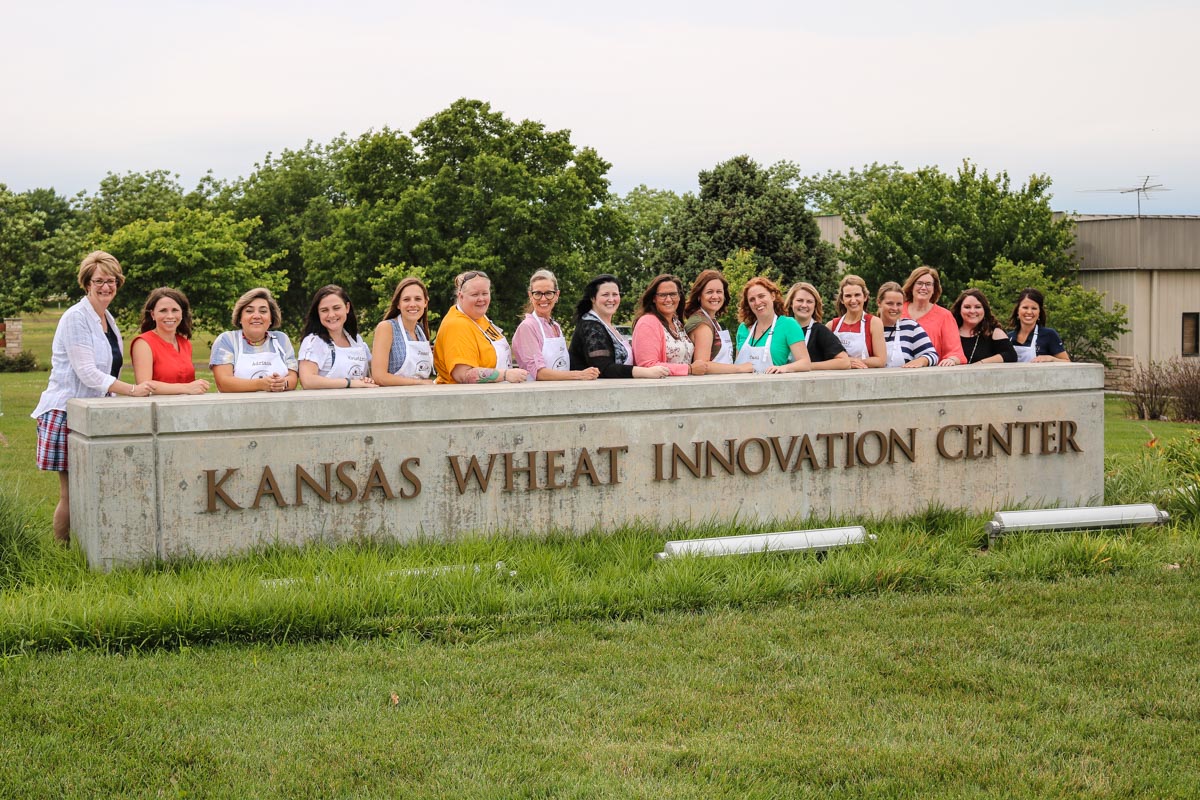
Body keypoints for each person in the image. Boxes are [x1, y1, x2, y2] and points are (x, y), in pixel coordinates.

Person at [31, 251, 154, 544]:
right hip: (65, 412)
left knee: (96, 487)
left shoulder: (107, 318)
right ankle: (63, 551)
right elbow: (87, 373)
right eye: (99, 280)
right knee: (72, 492)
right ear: (86, 283)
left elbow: (108, 368)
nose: (106, 286)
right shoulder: (76, 317)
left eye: (111, 280)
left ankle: (95, 545)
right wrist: (132, 390)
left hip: (95, 411)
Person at [433, 270, 529, 384]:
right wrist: (505, 375)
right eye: (475, 294)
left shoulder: (480, 317)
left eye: (485, 293)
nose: (481, 299)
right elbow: (463, 375)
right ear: (461, 296)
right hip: (463, 399)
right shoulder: (456, 325)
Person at [567, 274, 670, 379]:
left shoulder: (606, 325)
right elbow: (603, 368)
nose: (611, 299)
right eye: (605, 295)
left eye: (615, 294)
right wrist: (645, 372)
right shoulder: (591, 327)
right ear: (593, 298)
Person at [512, 269, 600, 381]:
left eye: (548, 293)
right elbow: (538, 373)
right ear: (530, 295)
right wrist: (579, 375)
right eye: (538, 293)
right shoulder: (527, 327)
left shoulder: (555, 326)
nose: (543, 299)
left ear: (557, 295)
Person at [210, 287, 298, 393]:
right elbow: (224, 384)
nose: (256, 316)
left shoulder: (281, 339)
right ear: (240, 318)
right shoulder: (227, 340)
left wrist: (282, 383)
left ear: (271, 318)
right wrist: (260, 384)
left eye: (263, 311)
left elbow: (293, 379)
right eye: (249, 311)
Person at [130, 287, 210, 394]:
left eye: (175, 310)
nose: (170, 316)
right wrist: (187, 388)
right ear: (153, 314)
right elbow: (144, 385)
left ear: (182, 313)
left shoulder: (185, 343)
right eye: (163, 310)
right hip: (157, 408)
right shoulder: (143, 343)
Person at [297, 285, 377, 389]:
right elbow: (307, 381)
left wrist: (367, 380)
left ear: (347, 307)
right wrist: (350, 383)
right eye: (324, 310)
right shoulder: (313, 342)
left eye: (336, 308)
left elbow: (369, 375)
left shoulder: (357, 340)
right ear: (318, 313)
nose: (331, 315)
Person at [734, 277, 812, 373]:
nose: (757, 302)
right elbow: (737, 365)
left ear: (772, 296)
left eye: (761, 296)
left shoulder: (788, 325)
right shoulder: (743, 328)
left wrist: (784, 368)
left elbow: (805, 363)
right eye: (752, 300)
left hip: (773, 386)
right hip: (742, 386)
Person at [683, 269, 753, 375]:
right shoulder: (702, 325)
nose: (715, 296)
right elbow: (703, 366)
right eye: (709, 292)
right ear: (699, 296)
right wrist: (740, 368)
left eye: (719, 292)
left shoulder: (711, 320)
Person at [370, 277, 436, 386]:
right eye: (406, 299)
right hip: (393, 399)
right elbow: (379, 377)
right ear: (398, 304)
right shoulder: (387, 328)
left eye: (418, 299)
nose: (412, 304)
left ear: (425, 302)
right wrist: (418, 383)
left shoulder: (421, 332)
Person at [901, 266, 967, 367]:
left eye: (928, 284)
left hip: (931, 374)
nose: (923, 288)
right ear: (911, 286)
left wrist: (952, 360)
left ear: (934, 289)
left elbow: (955, 352)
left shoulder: (944, 316)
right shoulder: (897, 311)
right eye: (919, 283)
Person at [632, 275, 696, 376]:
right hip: (660, 389)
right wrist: (689, 369)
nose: (669, 299)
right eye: (662, 295)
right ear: (654, 298)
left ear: (679, 296)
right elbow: (647, 366)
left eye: (673, 294)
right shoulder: (647, 323)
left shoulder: (676, 322)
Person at [785, 281, 849, 370]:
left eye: (809, 301)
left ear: (815, 305)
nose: (804, 305)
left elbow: (844, 362)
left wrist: (806, 366)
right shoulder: (781, 329)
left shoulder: (820, 331)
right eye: (800, 300)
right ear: (791, 303)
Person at [827, 275, 886, 369]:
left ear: (865, 297)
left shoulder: (874, 323)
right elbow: (824, 357)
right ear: (842, 299)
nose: (853, 300)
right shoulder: (831, 326)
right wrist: (847, 363)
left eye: (857, 295)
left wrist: (854, 363)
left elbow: (881, 360)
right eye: (848, 296)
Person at [875, 282, 939, 368]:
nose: (895, 308)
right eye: (890, 303)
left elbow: (933, 355)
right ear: (879, 302)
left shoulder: (910, 327)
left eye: (899, 304)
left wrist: (922, 360)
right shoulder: (869, 327)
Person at [952, 289, 1017, 364]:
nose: (972, 311)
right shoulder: (949, 331)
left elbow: (1011, 355)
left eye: (977, 307)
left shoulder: (994, 332)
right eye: (967, 307)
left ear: (984, 310)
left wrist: (981, 363)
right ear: (959, 310)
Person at [1008, 288, 1070, 363]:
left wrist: (1050, 358)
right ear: (1018, 310)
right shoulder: (1008, 338)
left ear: (1039, 312)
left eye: (1034, 308)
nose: (1029, 312)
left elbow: (1067, 362)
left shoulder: (1049, 335)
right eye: (1025, 307)